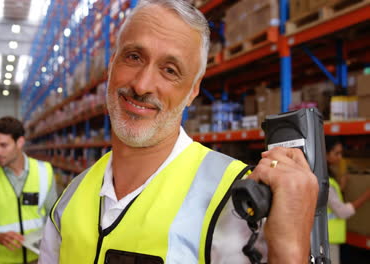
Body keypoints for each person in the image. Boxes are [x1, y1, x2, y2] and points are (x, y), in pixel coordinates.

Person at [39, 1, 318, 263]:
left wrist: (289, 252)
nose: (142, 85)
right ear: (111, 65)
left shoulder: (236, 201)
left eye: (170, 70)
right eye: (134, 57)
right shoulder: (71, 198)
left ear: (192, 92)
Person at [0, 116, 58, 264]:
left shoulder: (44, 171)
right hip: (1, 260)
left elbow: (54, 218)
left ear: (20, 142)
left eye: (3, 145)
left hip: (37, 258)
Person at [325, 136, 370, 264]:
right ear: (326, 154)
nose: (340, 157)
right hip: (328, 241)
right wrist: (366, 196)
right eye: (336, 153)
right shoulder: (326, 182)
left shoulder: (329, 179)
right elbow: (342, 211)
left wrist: (341, 187)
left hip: (328, 239)